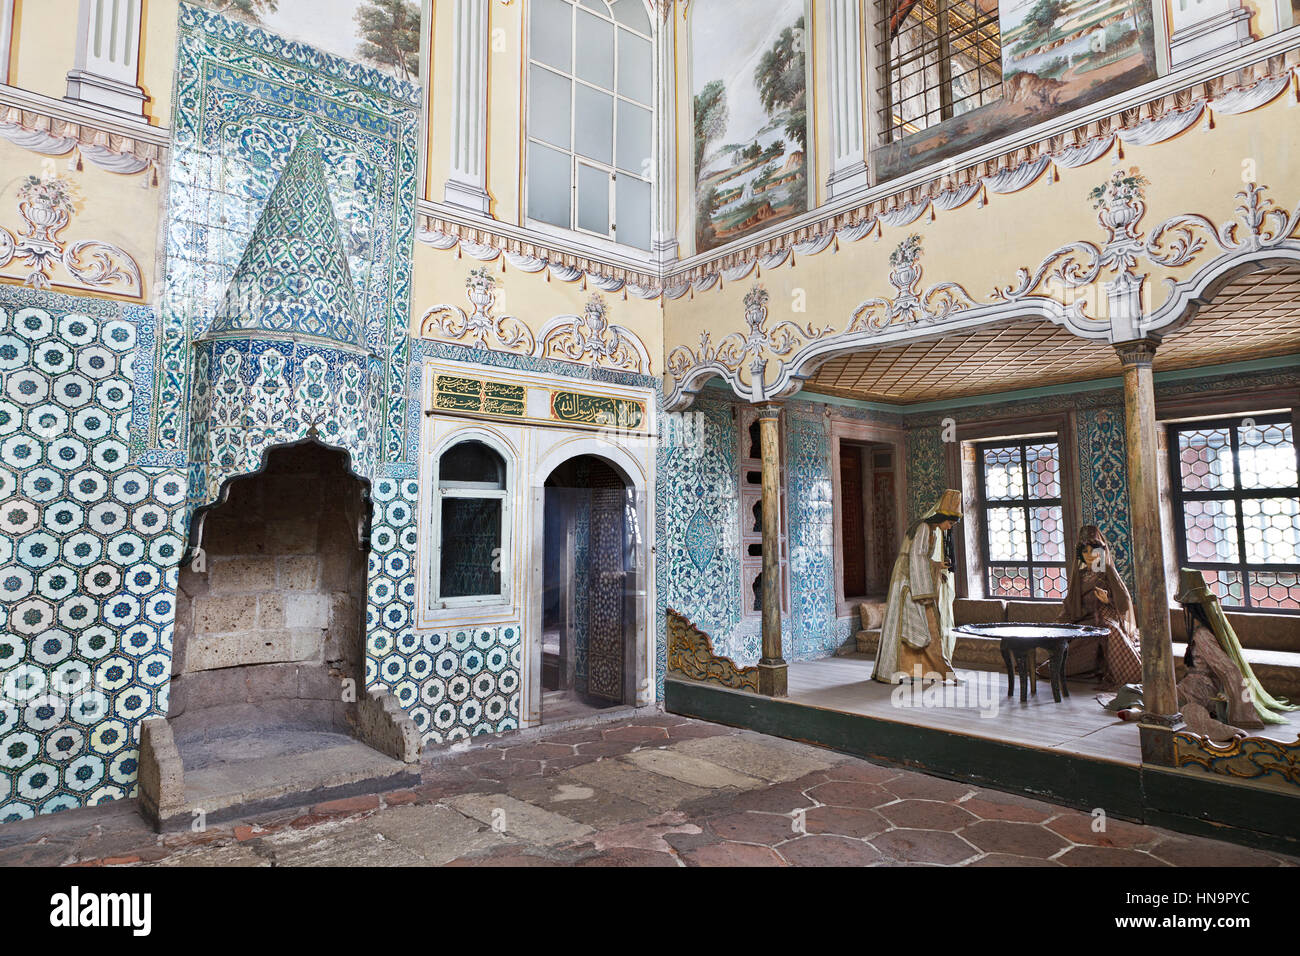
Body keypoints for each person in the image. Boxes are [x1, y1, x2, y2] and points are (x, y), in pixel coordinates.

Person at [1175, 568, 1297, 740]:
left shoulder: (1201, 634)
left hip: (1202, 689)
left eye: (1184, 606)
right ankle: (1137, 711)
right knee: (1153, 696)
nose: (1183, 610)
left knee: (1183, 710)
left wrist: (1242, 706)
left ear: (1190, 608)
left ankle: (1226, 731)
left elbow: (1229, 668)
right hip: (1189, 685)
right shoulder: (1197, 630)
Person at [872, 489, 962, 684]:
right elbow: (916, 557)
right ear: (943, 517)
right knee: (920, 622)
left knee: (923, 623)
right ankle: (904, 669)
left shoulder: (930, 530)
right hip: (908, 581)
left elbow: (921, 557)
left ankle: (925, 669)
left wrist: (937, 567)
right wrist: (926, 586)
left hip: (911, 578)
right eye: (950, 523)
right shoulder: (924, 528)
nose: (949, 527)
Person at [1049, 526, 1143, 687]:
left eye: (1093, 551)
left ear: (1100, 552)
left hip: (1108, 615)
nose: (1090, 556)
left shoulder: (1107, 571)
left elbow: (1125, 601)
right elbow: (1070, 604)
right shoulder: (1079, 575)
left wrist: (1108, 600)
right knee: (1064, 634)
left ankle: (1132, 675)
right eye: (1085, 552)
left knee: (1110, 630)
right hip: (1084, 617)